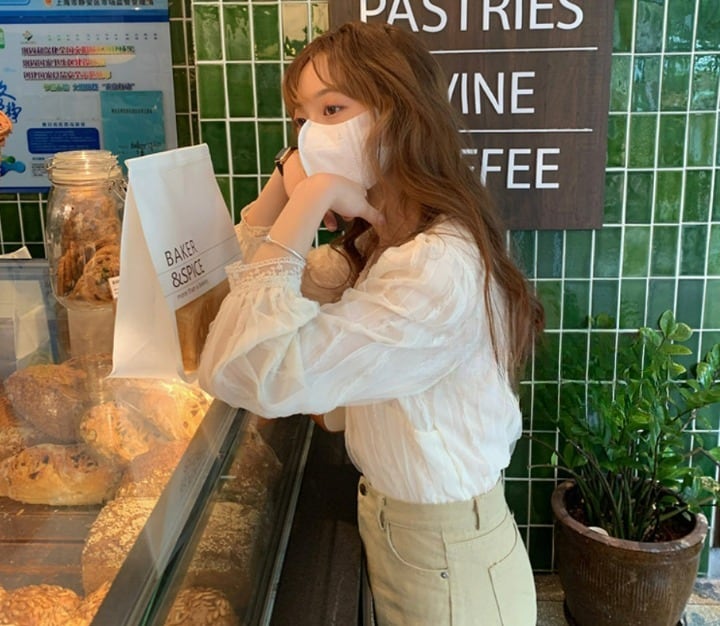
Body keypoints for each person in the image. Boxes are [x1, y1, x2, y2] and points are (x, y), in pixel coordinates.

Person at [198, 20, 543, 626]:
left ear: (401, 112)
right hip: (418, 544)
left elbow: (247, 369)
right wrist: (285, 181)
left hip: (450, 564)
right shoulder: (385, 241)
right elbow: (230, 299)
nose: (312, 136)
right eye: (301, 120)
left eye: (332, 109)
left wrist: (309, 201)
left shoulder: (434, 266)